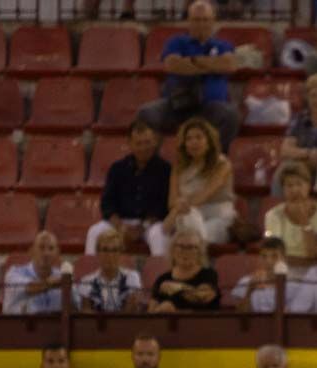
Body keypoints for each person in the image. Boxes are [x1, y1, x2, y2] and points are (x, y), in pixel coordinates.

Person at [136, 1, 238, 147]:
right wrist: (212, 65)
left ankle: (213, 159)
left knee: (230, 115)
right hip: (177, 105)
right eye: (196, 20)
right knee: (146, 113)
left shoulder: (223, 45)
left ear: (213, 21)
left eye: (205, 20)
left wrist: (190, 62)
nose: (201, 24)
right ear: (189, 21)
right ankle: (155, 164)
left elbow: (229, 65)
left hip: (210, 107)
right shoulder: (176, 42)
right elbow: (173, 65)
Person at [86, 121, 171, 257]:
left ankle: (159, 274)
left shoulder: (165, 169)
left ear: (155, 141)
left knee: (159, 235)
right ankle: (89, 276)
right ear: (130, 144)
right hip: (121, 221)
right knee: (94, 232)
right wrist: (120, 226)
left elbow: (163, 205)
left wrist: (143, 227)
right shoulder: (117, 168)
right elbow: (107, 203)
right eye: (139, 143)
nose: (143, 148)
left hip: (151, 223)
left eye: (147, 142)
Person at [165, 116, 235, 246]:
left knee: (194, 230)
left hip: (218, 218)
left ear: (209, 142)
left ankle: (194, 253)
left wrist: (182, 205)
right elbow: (172, 202)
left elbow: (205, 194)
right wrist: (178, 209)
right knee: (186, 222)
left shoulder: (222, 164)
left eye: (198, 137)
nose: (193, 142)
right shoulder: (178, 167)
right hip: (187, 215)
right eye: (189, 139)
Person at [263, 162, 317, 268]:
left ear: (309, 186)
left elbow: (315, 254)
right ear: (283, 189)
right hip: (283, 269)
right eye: (289, 185)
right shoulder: (273, 215)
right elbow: (274, 256)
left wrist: (304, 221)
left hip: (314, 271)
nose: (295, 190)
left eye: (299, 184)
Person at [279, 72, 317, 180]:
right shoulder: (300, 118)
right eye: (313, 96)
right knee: (285, 168)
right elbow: (285, 150)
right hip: (304, 165)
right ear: (307, 97)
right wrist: (309, 153)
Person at [147, 229, 221, 312]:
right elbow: (151, 312)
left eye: (191, 247)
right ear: (173, 250)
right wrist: (162, 310)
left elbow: (203, 297)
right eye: (181, 246)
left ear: (199, 252)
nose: (185, 251)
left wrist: (178, 287)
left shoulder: (208, 274)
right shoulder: (163, 279)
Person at [77, 229, 144, 313]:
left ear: (120, 253)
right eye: (105, 250)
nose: (110, 255)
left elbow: (129, 316)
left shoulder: (132, 278)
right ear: (97, 253)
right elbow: (86, 319)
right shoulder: (86, 282)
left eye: (115, 250)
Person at [3, 231, 68, 315]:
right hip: (18, 326)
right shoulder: (14, 273)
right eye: (41, 248)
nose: (46, 253)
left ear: (58, 253)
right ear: (31, 251)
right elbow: (30, 287)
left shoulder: (62, 276)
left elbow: (77, 306)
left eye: (51, 248)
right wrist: (54, 283)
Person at [232, 237, 288, 313]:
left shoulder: (292, 285)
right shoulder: (245, 281)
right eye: (264, 256)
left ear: (284, 258)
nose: (269, 261)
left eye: (274, 256)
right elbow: (239, 314)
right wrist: (249, 291)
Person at [112, 334, 181, 368]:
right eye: (140, 354)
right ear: (132, 357)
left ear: (159, 357)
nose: (145, 359)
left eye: (150, 354)